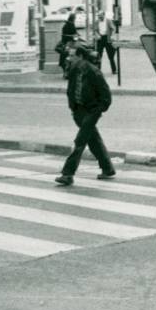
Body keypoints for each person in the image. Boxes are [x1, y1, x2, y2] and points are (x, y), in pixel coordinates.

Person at [54, 44, 116, 186]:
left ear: (81, 56)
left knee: (80, 141)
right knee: (93, 140)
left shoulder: (94, 72)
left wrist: (97, 110)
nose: (69, 58)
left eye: (72, 55)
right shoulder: (74, 70)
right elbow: (70, 90)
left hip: (91, 112)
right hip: (79, 111)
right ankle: (108, 169)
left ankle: (68, 173)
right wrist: (73, 108)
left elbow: (106, 96)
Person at [95, 10, 117, 75]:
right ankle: (98, 70)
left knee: (110, 55)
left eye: (100, 16)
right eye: (98, 16)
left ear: (103, 15)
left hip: (107, 38)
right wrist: (97, 35)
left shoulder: (108, 21)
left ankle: (114, 70)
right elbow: (95, 30)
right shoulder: (97, 22)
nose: (99, 17)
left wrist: (112, 35)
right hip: (100, 39)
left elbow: (113, 29)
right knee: (98, 55)